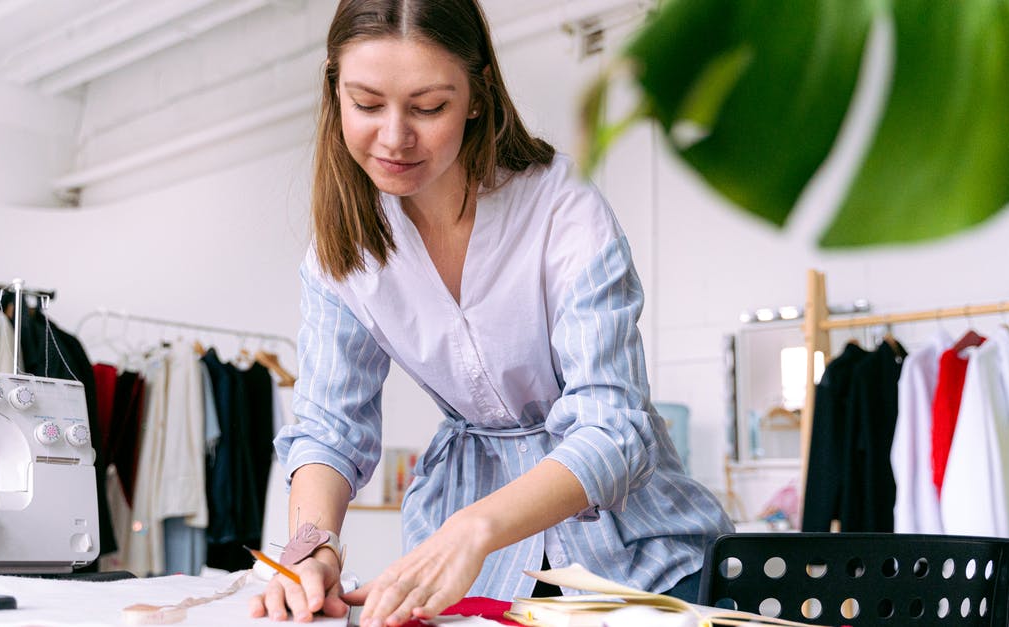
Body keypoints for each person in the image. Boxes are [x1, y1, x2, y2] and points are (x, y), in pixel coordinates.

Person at [248, 0, 734, 625]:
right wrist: (311, 546)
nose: (394, 136)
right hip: (476, 575)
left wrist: (476, 528)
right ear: (334, 92)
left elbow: (614, 428)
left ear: (477, 97)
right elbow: (327, 429)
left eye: (429, 107)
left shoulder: (562, 207)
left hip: (642, 559)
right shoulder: (344, 249)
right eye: (367, 104)